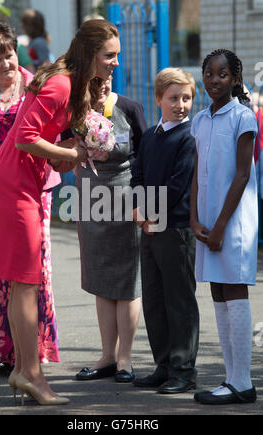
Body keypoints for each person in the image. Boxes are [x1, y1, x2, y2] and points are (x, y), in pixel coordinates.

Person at [0, 19, 120, 406]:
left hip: (20, 181)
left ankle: (22, 370)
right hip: (13, 185)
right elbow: (25, 137)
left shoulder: (71, 84)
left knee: (21, 281)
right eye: (110, 55)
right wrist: (70, 154)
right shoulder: (61, 83)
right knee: (26, 281)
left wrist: (65, 152)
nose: (115, 63)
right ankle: (32, 376)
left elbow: (41, 138)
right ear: (91, 53)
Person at [0, 22, 61, 373]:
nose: (5, 63)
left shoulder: (38, 86)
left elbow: (54, 135)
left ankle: (29, 352)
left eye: (8, 54)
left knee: (31, 270)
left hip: (32, 192)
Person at [190, 49, 258, 405]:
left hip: (232, 223)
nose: (214, 80)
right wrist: (193, 218)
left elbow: (243, 174)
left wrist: (219, 226)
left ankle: (243, 382)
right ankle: (231, 379)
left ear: (234, 78)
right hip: (207, 222)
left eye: (222, 74)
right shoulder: (200, 120)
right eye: (209, 74)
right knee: (218, 293)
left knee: (234, 291)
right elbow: (197, 172)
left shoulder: (243, 117)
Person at [131, 68, 199, 394]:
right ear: (158, 99)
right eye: (173, 98)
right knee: (154, 299)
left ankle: (184, 370)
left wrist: (150, 213)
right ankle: (164, 365)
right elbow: (138, 174)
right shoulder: (150, 135)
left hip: (175, 230)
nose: (181, 104)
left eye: (186, 98)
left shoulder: (188, 137)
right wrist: (140, 210)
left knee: (179, 301)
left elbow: (177, 185)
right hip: (150, 228)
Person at [74, 78, 147, 383]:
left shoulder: (130, 108)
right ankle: (107, 355)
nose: (102, 85)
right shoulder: (75, 111)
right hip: (89, 198)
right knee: (100, 276)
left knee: (127, 279)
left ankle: (125, 360)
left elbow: (146, 156)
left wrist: (143, 202)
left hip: (125, 196)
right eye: (94, 80)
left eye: (105, 79)